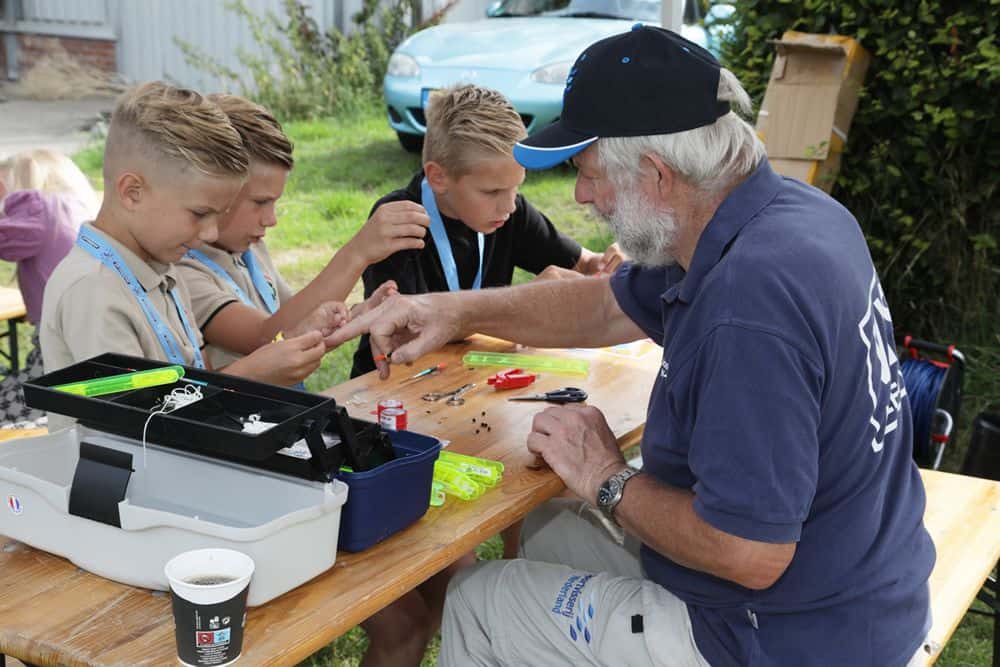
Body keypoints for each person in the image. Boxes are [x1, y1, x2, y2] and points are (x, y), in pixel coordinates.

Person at [328, 26, 936, 667]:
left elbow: (748, 552)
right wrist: (448, 311)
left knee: (480, 600)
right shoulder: (783, 215)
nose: (582, 196)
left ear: (656, 174)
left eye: (589, 175)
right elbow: (606, 301)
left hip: (780, 636)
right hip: (857, 588)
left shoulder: (746, 306)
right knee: (547, 526)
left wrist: (604, 476)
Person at [40, 82, 338, 389]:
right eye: (199, 214)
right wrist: (250, 375)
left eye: (218, 215)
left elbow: (197, 376)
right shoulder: (93, 291)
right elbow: (132, 422)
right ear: (132, 192)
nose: (210, 233)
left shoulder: (164, 270)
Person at [350, 83, 625, 378]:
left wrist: (608, 263)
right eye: (492, 191)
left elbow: (584, 263)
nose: (509, 205)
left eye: (516, 187)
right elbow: (407, 332)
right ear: (439, 178)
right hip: (388, 387)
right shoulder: (399, 222)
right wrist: (528, 301)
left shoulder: (509, 212)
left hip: (466, 379)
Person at [175, 94, 401, 371]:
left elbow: (297, 317)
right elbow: (264, 336)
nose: (271, 220)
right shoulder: (185, 268)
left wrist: (354, 317)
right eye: (260, 202)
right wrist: (356, 254)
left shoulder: (247, 247)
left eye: (274, 202)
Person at [0, 149, 100, 425]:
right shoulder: (80, 206)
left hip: (55, 341)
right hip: (86, 337)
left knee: (14, 408)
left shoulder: (38, 207)